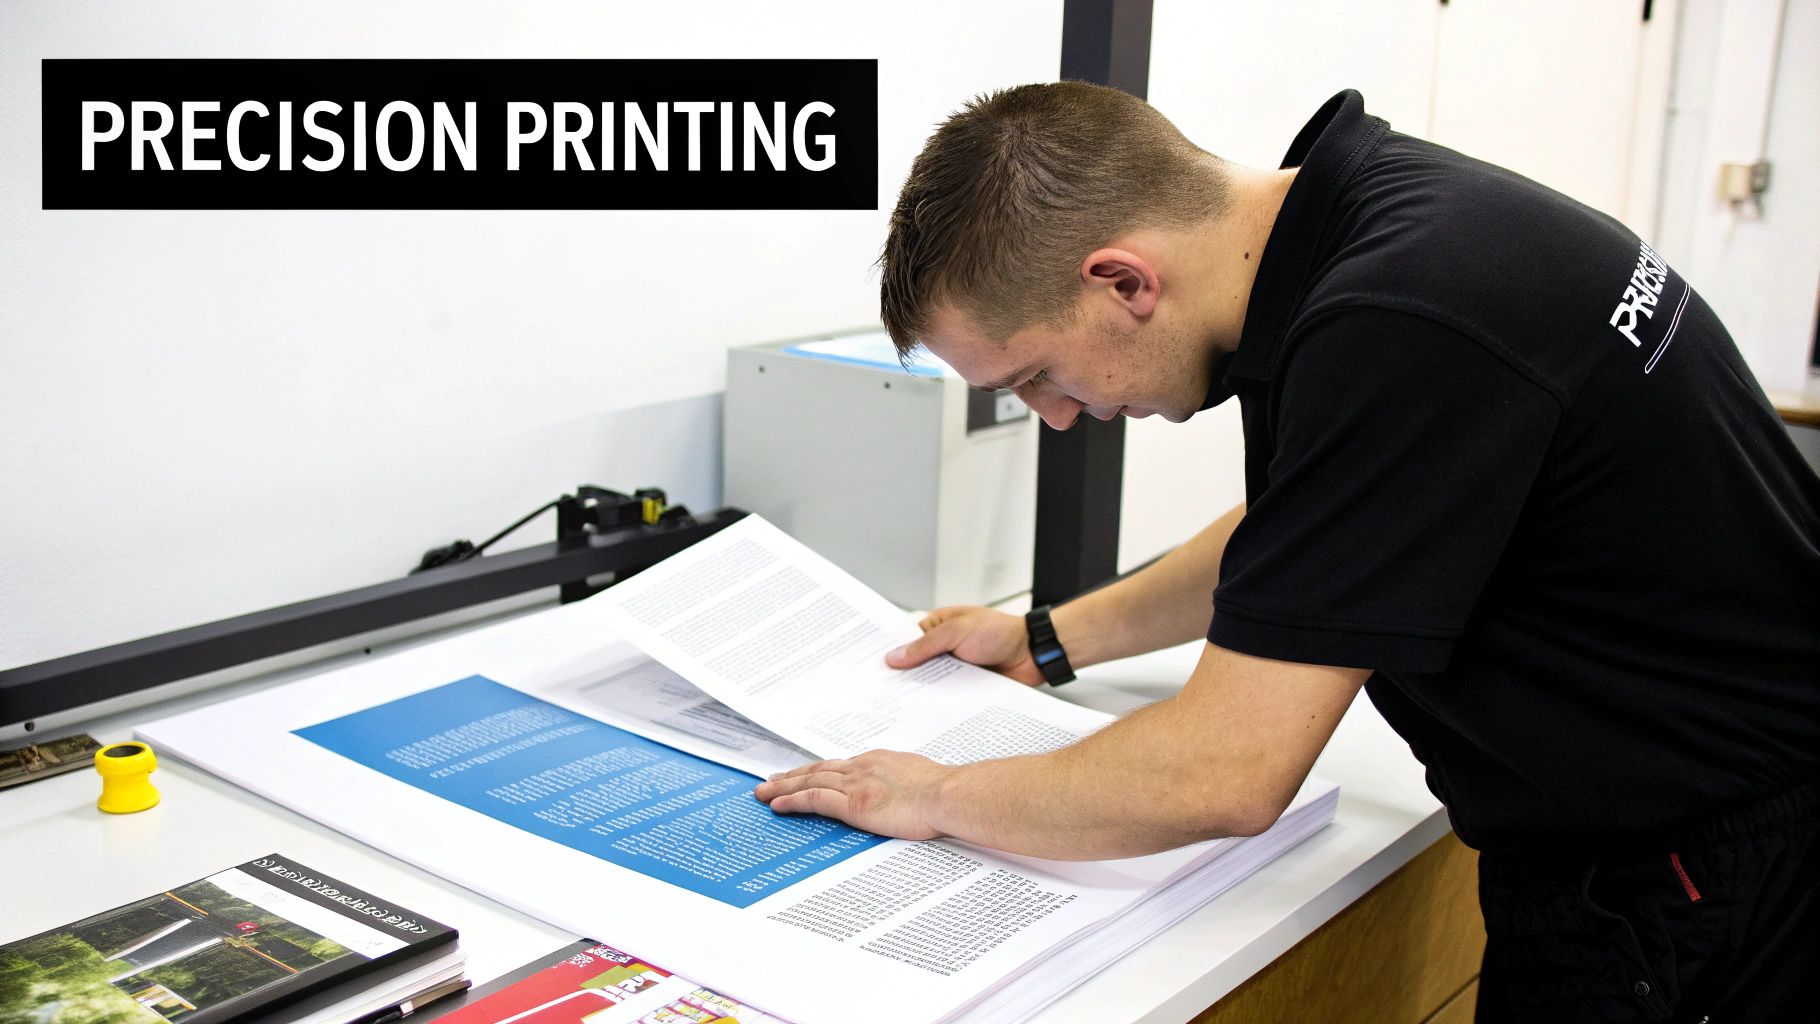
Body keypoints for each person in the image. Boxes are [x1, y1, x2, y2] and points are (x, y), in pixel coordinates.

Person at [753, 84, 1819, 1021]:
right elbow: (1309, 529)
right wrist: (1043, 637)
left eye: (1032, 375)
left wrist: (933, 794)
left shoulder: (1398, 321)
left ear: (1123, 281)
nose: (1056, 418)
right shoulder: (1377, 221)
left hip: (1704, 869)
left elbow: (1224, 773)